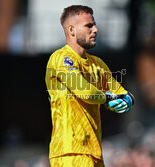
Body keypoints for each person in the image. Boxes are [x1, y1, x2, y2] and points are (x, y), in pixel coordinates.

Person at [45, 5, 134, 167]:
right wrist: (107, 98)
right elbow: (84, 91)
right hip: (70, 151)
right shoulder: (59, 58)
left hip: (94, 152)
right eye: (89, 26)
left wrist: (127, 100)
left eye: (94, 24)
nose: (96, 30)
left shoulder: (98, 64)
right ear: (71, 30)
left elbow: (123, 94)